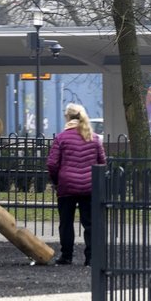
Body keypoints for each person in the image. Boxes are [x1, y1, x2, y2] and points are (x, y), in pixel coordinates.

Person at [46, 104, 106, 266]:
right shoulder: (93, 138)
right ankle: (91, 257)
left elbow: (52, 164)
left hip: (67, 186)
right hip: (89, 187)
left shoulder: (61, 138)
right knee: (90, 223)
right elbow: (102, 162)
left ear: (67, 117)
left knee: (66, 222)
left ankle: (66, 256)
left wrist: (57, 181)